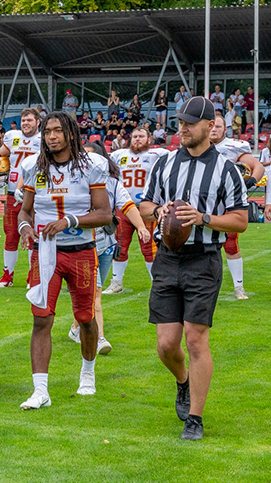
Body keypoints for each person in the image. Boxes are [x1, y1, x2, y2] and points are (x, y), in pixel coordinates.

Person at [139, 96, 249, 440]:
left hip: (203, 259)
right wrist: (158, 213)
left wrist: (203, 218)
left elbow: (241, 221)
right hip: (168, 258)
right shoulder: (164, 164)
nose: (182, 129)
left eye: (189, 123)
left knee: (196, 339)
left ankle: (195, 419)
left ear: (209, 125)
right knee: (166, 344)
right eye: (180, 123)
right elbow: (144, 204)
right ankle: (183, 382)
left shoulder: (227, 170)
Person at [16, 111, 112, 409]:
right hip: (45, 253)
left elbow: (105, 214)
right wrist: (25, 227)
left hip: (81, 251)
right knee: (41, 318)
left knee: (85, 318)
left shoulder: (92, 165)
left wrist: (69, 221)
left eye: (58, 131)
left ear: (71, 133)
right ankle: (40, 390)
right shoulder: (33, 166)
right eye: (47, 132)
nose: (52, 136)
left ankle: (87, 373)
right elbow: (25, 210)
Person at [69, 142, 150, 355]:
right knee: (94, 294)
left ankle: (76, 328)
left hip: (105, 243)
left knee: (89, 293)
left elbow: (127, 205)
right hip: (82, 243)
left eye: (92, 157)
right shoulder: (73, 181)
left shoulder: (112, 182)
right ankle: (99, 339)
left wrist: (141, 226)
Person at [103, 126, 167, 294]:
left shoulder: (157, 155)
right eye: (135, 136)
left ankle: (157, 283)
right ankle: (116, 282)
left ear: (149, 139)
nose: (137, 139)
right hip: (124, 208)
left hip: (146, 207)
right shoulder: (119, 155)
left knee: (150, 247)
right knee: (120, 245)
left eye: (141, 136)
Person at [209, 115, 263, 299]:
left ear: (225, 129)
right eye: (212, 126)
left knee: (230, 243)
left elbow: (258, 166)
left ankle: (238, 286)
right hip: (203, 201)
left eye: (218, 126)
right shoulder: (199, 146)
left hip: (226, 202)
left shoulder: (233, 147)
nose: (214, 129)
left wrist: (250, 182)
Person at [0, 108, 42, 288]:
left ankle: (33, 276)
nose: (26, 123)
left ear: (38, 122)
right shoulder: (13, 137)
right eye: (23, 120)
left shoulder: (42, 139)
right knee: (10, 234)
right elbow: (3, 152)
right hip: (12, 192)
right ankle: (8, 275)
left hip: (36, 193)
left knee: (34, 235)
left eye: (29, 120)